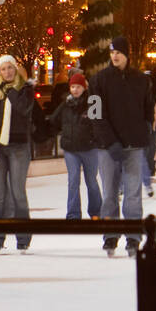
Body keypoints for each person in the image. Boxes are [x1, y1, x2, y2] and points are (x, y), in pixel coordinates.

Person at [0, 56, 46, 254]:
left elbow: (23, 110)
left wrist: (12, 91)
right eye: (3, 69)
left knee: (17, 194)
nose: (7, 72)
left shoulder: (25, 91)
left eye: (10, 68)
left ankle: (23, 237)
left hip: (18, 148)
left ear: (15, 69)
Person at [89, 36, 152, 256]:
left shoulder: (141, 80)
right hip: (108, 148)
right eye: (112, 52)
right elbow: (95, 115)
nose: (114, 56)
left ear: (127, 55)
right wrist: (109, 142)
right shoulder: (98, 80)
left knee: (133, 193)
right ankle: (110, 235)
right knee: (109, 193)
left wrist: (144, 134)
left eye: (119, 52)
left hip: (134, 146)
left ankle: (133, 236)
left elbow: (147, 111)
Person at [48, 72, 101, 219]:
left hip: (89, 148)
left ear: (84, 87)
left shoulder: (92, 103)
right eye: (72, 87)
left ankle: (96, 211)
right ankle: (73, 214)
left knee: (91, 181)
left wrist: (96, 139)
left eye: (78, 86)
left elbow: (98, 124)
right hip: (71, 149)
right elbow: (54, 120)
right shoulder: (66, 104)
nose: (75, 90)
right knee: (73, 181)